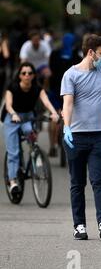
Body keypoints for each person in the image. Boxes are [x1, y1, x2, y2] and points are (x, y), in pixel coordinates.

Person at [61, 34, 101, 241]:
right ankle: (79, 225)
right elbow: (68, 103)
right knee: (77, 183)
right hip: (76, 136)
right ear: (91, 52)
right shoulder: (70, 75)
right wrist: (66, 128)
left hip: (99, 136)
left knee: (98, 180)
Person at [2, 62, 59, 194]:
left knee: (29, 131)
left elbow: (46, 101)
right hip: (12, 117)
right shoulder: (13, 87)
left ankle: (35, 154)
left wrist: (53, 112)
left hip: (27, 116)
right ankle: (13, 181)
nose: (27, 75)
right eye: (24, 73)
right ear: (20, 75)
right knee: (13, 152)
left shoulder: (37, 88)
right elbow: (8, 105)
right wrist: (14, 114)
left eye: (30, 73)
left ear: (34, 75)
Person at [48, 33, 82, 157]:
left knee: (54, 117)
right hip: (70, 92)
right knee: (70, 116)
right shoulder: (76, 56)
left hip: (55, 90)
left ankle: (52, 146)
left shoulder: (54, 54)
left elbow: (50, 70)